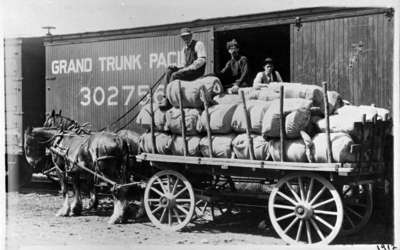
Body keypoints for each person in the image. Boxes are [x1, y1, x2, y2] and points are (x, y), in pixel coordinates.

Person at [159, 27, 207, 107]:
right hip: (188, 70)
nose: (185, 38)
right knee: (169, 71)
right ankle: (165, 97)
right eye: (183, 37)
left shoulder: (198, 44)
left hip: (196, 71)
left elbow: (202, 60)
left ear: (191, 35)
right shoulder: (184, 49)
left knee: (175, 75)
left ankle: (169, 100)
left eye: (187, 36)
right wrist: (176, 67)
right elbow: (183, 64)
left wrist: (190, 67)